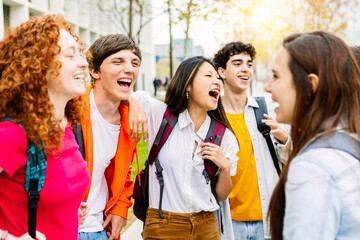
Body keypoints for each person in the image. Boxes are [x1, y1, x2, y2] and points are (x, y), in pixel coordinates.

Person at [0, 14, 90, 239]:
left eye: (80, 53)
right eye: (71, 55)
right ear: (38, 65)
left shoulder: (66, 127)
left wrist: (65, 208)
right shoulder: (12, 135)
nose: (84, 62)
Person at [130, 56, 239, 239]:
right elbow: (131, 94)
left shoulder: (224, 136)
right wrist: (133, 105)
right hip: (162, 224)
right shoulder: (160, 116)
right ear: (187, 85)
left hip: (206, 226)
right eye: (208, 75)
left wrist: (225, 167)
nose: (216, 81)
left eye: (217, 77)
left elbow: (221, 195)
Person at [266, 31, 360, 239]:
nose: (267, 86)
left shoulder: (313, 167)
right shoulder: (348, 141)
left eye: (276, 76)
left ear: (310, 85)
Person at [212, 42, 290, 239]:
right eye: (237, 64)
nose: (245, 69)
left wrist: (284, 140)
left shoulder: (268, 110)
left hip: (267, 219)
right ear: (221, 72)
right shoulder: (212, 118)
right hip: (228, 222)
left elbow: (291, 161)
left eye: (249, 64)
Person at [78, 33, 145, 240]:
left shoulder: (128, 121)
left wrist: (121, 208)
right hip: (62, 227)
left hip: (99, 228)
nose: (129, 68)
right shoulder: (72, 109)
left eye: (135, 63)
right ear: (95, 71)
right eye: (118, 61)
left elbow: (124, 172)